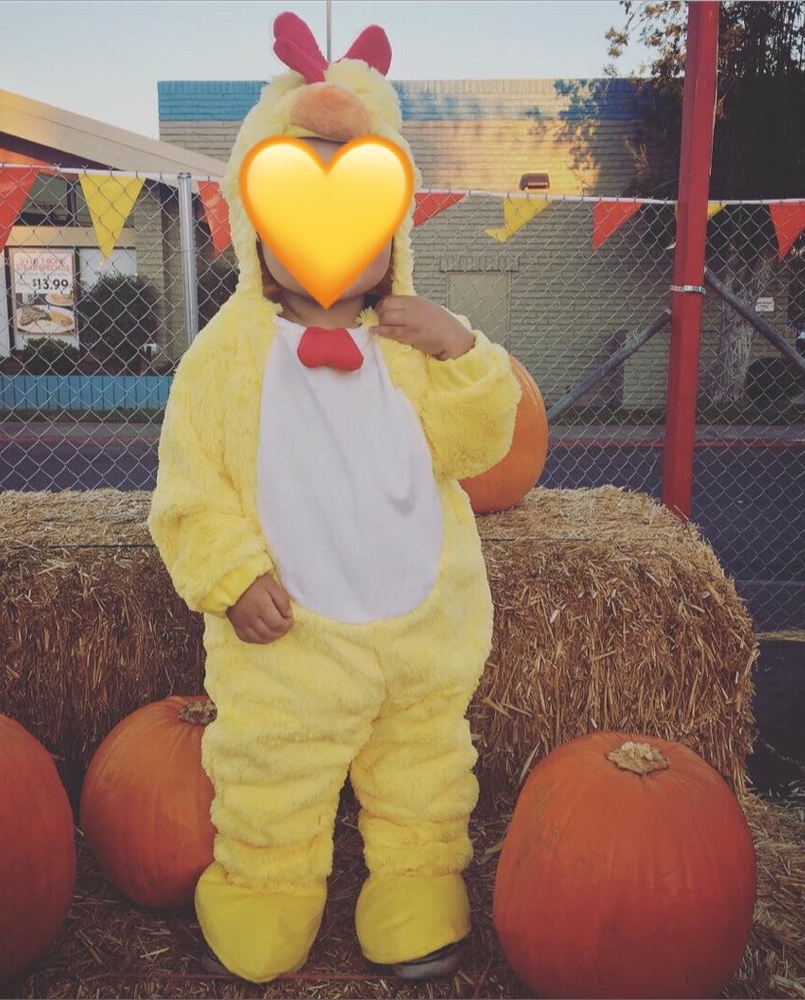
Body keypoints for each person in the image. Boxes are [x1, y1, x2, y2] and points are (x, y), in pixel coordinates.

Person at [147, 11, 520, 985]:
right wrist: (230, 576)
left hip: (419, 623)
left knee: (425, 767)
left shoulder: (413, 333)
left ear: (390, 230)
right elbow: (190, 489)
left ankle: (418, 879)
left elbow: (481, 445)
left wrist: (465, 352)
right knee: (271, 764)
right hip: (291, 631)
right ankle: (268, 883)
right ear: (254, 222)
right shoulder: (223, 359)